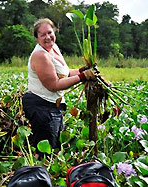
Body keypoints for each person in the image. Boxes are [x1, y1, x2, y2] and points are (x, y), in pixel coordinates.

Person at [22, 18, 96, 158]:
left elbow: (65, 73)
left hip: (54, 106)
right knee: (45, 152)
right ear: (37, 38)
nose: (47, 37)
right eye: (42, 35)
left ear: (54, 31)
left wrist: (82, 70)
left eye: (49, 32)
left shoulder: (53, 49)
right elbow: (53, 85)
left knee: (54, 146)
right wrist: (82, 77)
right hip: (42, 107)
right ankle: (40, 175)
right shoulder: (40, 55)